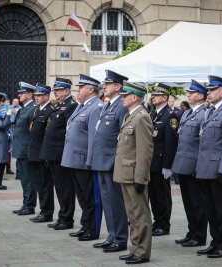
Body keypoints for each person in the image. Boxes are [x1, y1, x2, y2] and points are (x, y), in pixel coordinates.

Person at [195, 75, 222, 258]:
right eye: (209, 89)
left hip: (217, 170)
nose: (209, 92)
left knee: (221, 209)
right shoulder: (211, 111)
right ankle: (215, 242)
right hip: (205, 168)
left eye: (212, 90)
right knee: (210, 209)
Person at [114, 81, 154, 264]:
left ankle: (142, 252)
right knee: (132, 214)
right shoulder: (130, 116)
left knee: (140, 215)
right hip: (126, 173)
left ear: (135, 97)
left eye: (125, 96)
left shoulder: (142, 117)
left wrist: (141, 177)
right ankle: (135, 248)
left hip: (134, 175)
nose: (122, 98)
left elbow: (145, 152)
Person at [61, 74, 103, 241]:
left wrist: (90, 161)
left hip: (84, 159)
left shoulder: (96, 107)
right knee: (81, 196)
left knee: (89, 196)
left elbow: (93, 138)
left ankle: (92, 229)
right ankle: (85, 225)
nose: (78, 90)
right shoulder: (82, 106)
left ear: (90, 89)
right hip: (74, 159)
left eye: (81, 87)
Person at [91, 70, 129, 252]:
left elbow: (123, 136)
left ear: (117, 86)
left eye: (107, 84)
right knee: (107, 201)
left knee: (116, 202)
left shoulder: (121, 106)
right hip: (101, 161)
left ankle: (120, 238)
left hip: (112, 162)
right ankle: (112, 235)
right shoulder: (108, 105)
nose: (103, 87)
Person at [171, 79, 208, 248]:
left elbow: (203, 144)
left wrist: (199, 166)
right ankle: (191, 232)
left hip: (194, 166)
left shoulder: (204, 114)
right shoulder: (187, 113)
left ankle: (199, 236)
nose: (188, 95)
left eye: (191, 93)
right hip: (183, 164)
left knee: (197, 203)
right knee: (188, 202)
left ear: (200, 96)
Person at [40, 78, 78, 230]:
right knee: (59, 188)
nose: (55, 93)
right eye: (55, 90)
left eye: (59, 90)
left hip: (60, 152)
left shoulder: (70, 106)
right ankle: (62, 216)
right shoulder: (61, 105)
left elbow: (69, 131)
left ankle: (67, 219)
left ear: (67, 91)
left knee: (65, 188)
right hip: (53, 153)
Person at [149, 83, 179, 237]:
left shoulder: (170, 115)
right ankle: (157, 221)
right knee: (153, 195)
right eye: (153, 94)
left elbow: (171, 143)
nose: (152, 97)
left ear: (165, 97)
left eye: (156, 95)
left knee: (162, 195)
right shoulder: (154, 114)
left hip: (161, 163)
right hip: (151, 162)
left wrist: (167, 166)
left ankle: (164, 224)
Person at [28, 85, 54, 223]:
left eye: (39, 95)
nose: (36, 97)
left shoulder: (50, 111)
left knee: (45, 185)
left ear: (47, 96)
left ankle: (47, 212)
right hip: (34, 153)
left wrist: (45, 155)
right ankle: (43, 210)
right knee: (39, 184)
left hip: (42, 155)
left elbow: (47, 136)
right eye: (35, 95)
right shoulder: (37, 110)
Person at [12, 82, 37, 216]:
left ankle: (30, 205)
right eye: (19, 93)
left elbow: (32, 131)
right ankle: (26, 203)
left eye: (22, 93)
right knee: (23, 178)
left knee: (28, 179)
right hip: (20, 149)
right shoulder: (23, 109)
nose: (19, 95)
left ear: (30, 94)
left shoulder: (32, 108)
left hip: (26, 149)